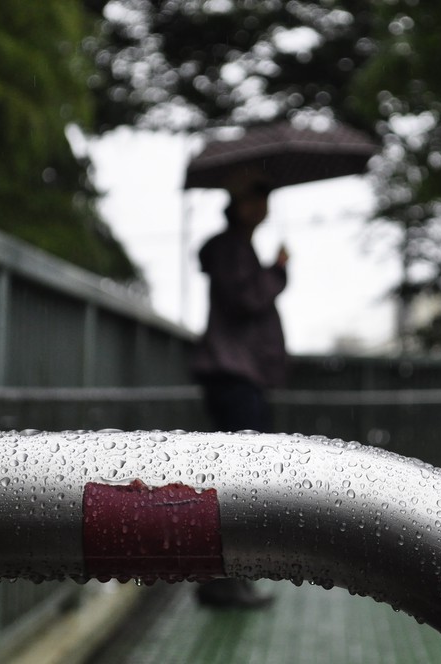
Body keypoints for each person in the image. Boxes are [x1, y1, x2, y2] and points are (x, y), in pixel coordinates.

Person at [190, 169, 288, 609]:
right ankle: (223, 579)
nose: (264, 204)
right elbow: (245, 300)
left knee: (236, 482)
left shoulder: (236, 247)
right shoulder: (232, 248)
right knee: (238, 484)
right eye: (257, 195)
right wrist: (278, 273)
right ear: (239, 204)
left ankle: (228, 577)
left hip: (237, 376)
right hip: (234, 376)